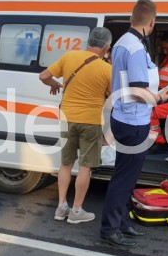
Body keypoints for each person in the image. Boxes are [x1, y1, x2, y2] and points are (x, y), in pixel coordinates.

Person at [99, 0, 168, 247]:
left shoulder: (123, 42)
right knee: (124, 178)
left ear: (132, 18)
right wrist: (159, 98)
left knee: (126, 176)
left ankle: (121, 222)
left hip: (124, 117)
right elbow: (137, 90)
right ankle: (110, 229)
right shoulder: (135, 49)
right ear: (152, 21)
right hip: (133, 121)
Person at [39, 27, 113, 224]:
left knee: (66, 163)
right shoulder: (107, 69)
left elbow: (43, 76)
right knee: (85, 167)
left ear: (88, 41)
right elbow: (111, 97)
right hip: (91, 121)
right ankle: (77, 211)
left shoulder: (69, 56)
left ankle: (61, 207)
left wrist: (55, 85)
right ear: (106, 47)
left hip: (67, 119)